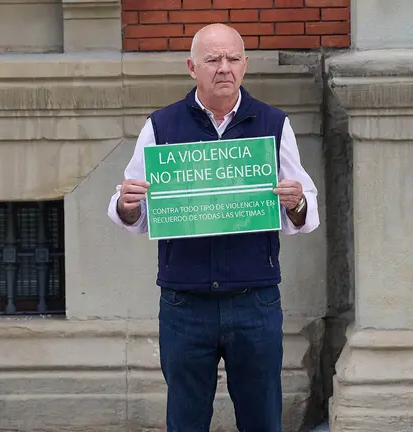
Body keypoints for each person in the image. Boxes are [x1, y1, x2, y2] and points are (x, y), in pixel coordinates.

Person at [107, 23, 319, 431]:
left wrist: (297, 201)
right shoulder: (161, 125)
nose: (224, 68)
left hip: (254, 301)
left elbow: (304, 209)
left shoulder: (273, 123)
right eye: (213, 59)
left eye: (233, 59)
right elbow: (133, 211)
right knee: (185, 420)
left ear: (245, 65)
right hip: (185, 304)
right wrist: (126, 204)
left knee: (262, 420)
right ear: (192, 68)